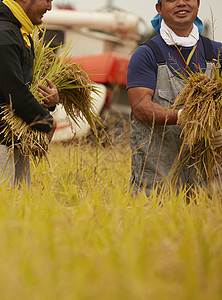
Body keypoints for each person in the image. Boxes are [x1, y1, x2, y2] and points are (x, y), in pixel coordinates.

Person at [127, 0, 222, 197]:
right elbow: (140, 106)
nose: (181, 3)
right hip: (157, 182)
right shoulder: (147, 54)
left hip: (210, 183)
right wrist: (184, 117)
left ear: (197, 4)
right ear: (159, 8)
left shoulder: (217, 53)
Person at [0, 0, 59, 188]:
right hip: (1, 142)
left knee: (19, 207)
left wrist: (50, 101)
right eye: (47, 0)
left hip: (15, 141)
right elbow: (14, 92)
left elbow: (25, 88)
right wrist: (47, 122)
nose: (49, 7)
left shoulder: (20, 34)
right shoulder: (5, 34)